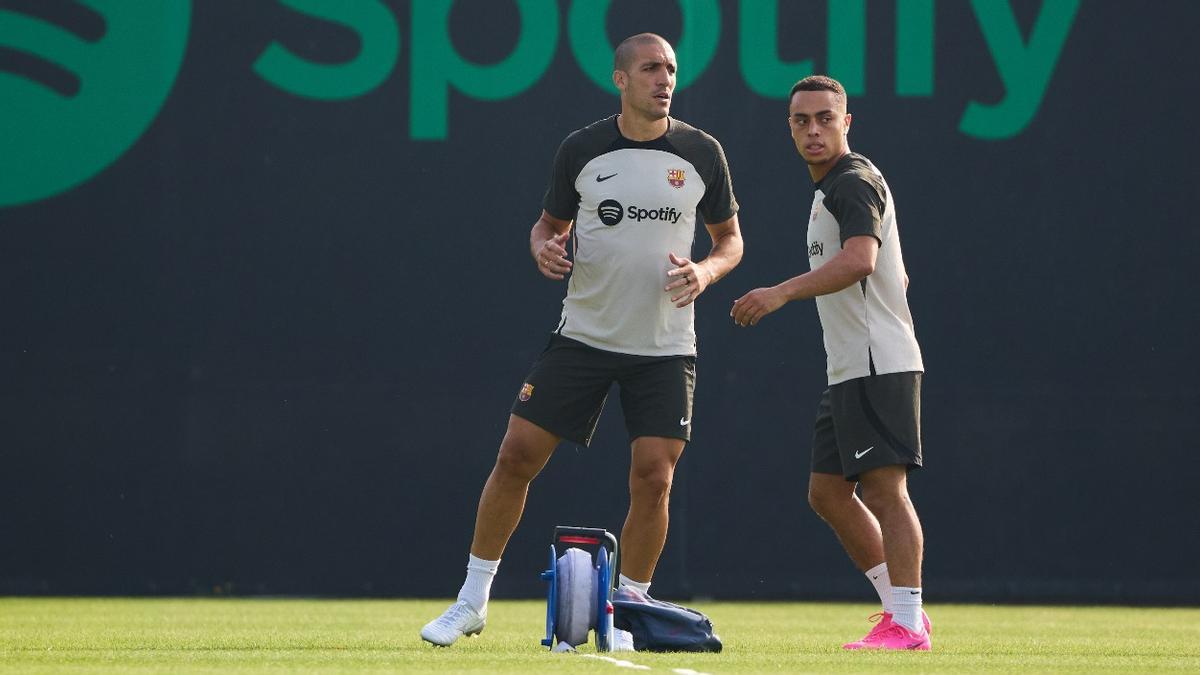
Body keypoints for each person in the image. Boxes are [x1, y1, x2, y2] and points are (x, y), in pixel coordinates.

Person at [421, 33, 743, 647]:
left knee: (654, 478)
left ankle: (629, 609)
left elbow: (731, 240)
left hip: (665, 347)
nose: (664, 79)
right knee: (516, 456)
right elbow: (549, 224)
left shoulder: (702, 152)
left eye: (671, 69)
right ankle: (471, 600)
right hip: (585, 336)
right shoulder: (583, 149)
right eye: (651, 69)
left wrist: (706, 270)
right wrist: (543, 247)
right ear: (621, 80)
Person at [730, 75, 931, 651]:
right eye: (801, 121)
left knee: (886, 492)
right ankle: (899, 610)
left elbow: (862, 261)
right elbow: (893, 269)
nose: (813, 130)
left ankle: (909, 622)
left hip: (877, 365)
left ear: (847, 122)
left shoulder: (852, 183)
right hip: (848, 366)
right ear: (790, 128)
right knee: (827, 493)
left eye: (825, 118)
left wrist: (780, 293)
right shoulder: (833, 189)